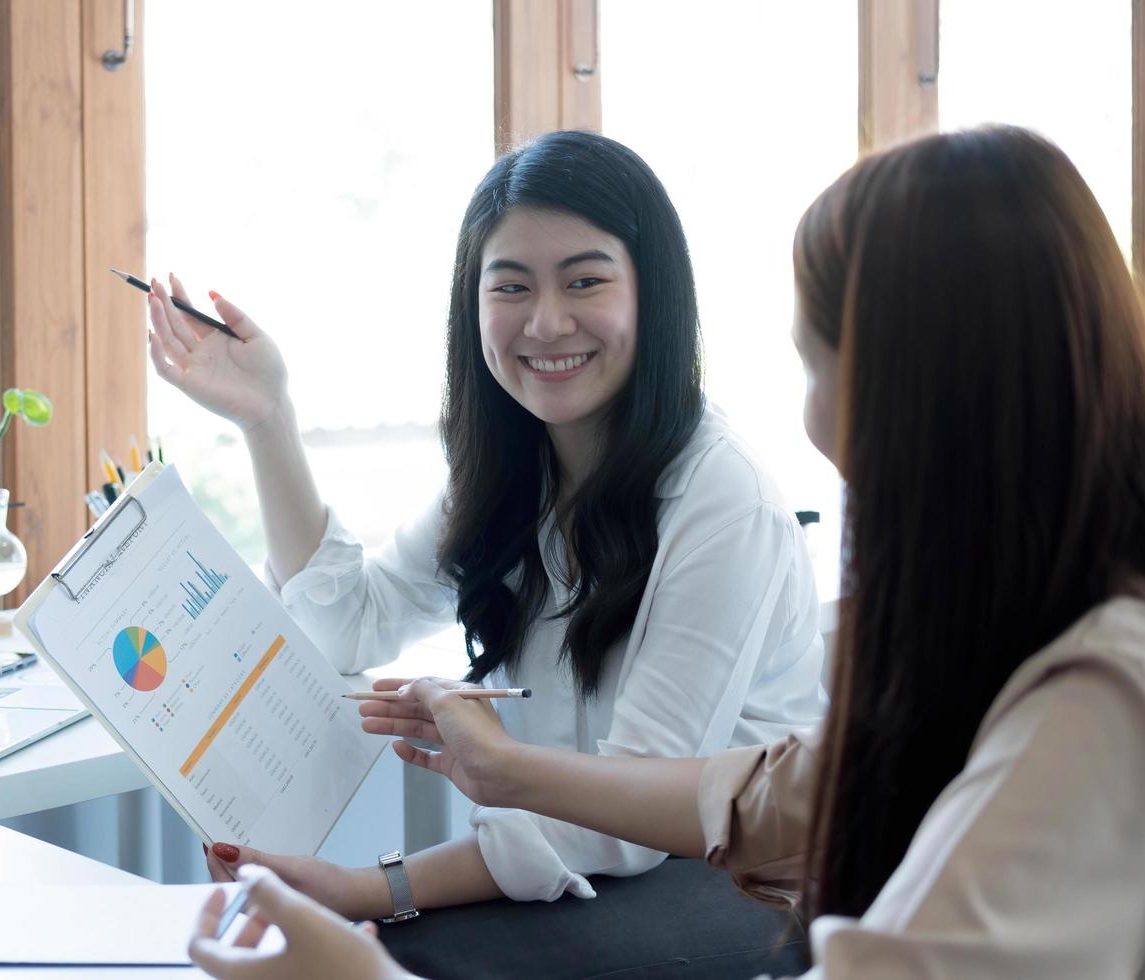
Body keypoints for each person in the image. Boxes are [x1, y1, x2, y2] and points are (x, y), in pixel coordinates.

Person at [187, 125, 1145, 979]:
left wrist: (376, 924)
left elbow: (696, 817)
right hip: (622, 851)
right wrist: (270, 419)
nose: (813, 419)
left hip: (684, 882)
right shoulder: (1019, 631)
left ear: (929, 391)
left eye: (816, 363)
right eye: (511, 286)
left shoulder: (1102, 701)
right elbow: (781, 787)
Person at [146, 130, 827, 921]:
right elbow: (347, 626)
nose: (544, 324)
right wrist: (268, 420)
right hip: (582, 876)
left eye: (584, 282)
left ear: (654, 294)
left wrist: (374, 891)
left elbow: (640, 818)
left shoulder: (721, 500)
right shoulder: (515, 469)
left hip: (731, 885)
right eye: (510, 288)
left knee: (366, 952)